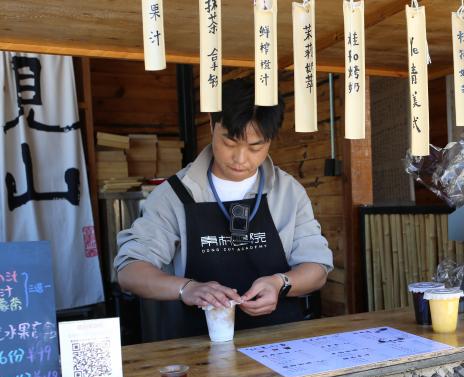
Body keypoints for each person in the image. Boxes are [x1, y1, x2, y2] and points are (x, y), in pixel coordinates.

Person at [115, 78, 333, 340]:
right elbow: (130, 271)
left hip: (279, 344)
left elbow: (317, 268)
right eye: (230, 143)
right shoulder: (174, 194)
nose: (240, 159)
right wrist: (187, 288)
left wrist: (280, 283)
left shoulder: (288, 192)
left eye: (255, 147)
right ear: (211, 124)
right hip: (197, 348)